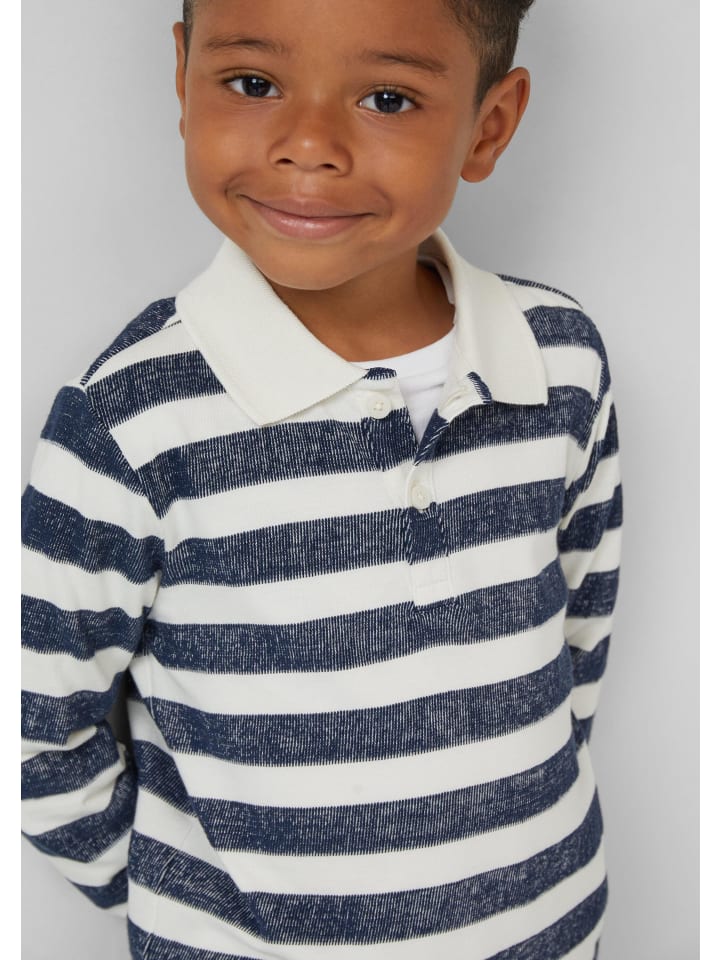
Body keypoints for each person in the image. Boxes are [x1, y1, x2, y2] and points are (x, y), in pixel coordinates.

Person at [21, 0, 622, 958]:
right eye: (253, 83)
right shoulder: (129, 423)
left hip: (554, 927)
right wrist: (187, 908)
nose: (309, 145)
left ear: (489, 125)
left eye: (387, 99)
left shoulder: (560, 362)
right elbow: (36, 731)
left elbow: (577, 636)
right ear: (183, 78)